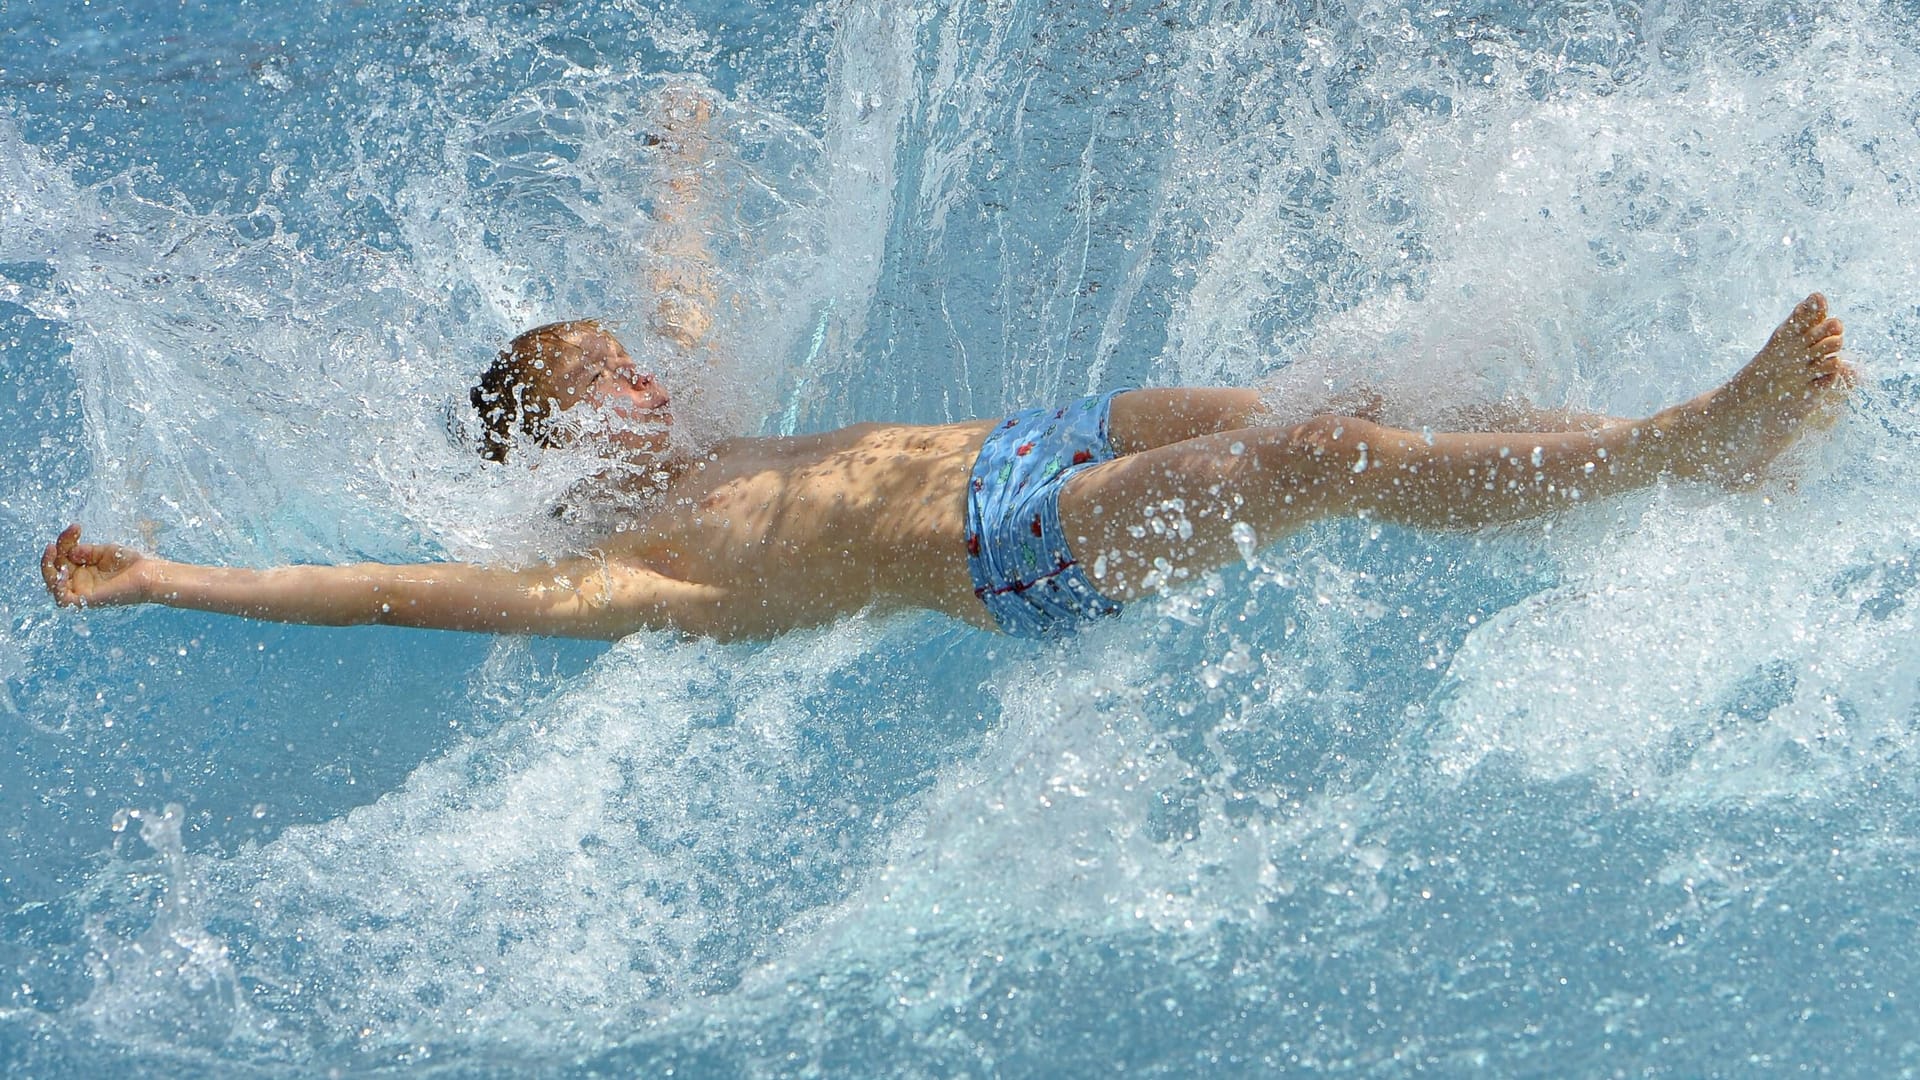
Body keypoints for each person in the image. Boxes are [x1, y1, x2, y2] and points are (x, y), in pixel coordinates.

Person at [41, 291, 1851, 641]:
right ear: (564, 439)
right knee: (1332, 455)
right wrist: (165, 576)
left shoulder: (709, 435)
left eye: (638, 363)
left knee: (1380, 377)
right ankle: (1693, 443)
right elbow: (383, 594)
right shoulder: (620, 577)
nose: (653, 385)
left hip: (1052, 435)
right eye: (611, 382)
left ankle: (1688, 457)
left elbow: (688, 287)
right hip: (1015, 547)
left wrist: (684, 157)